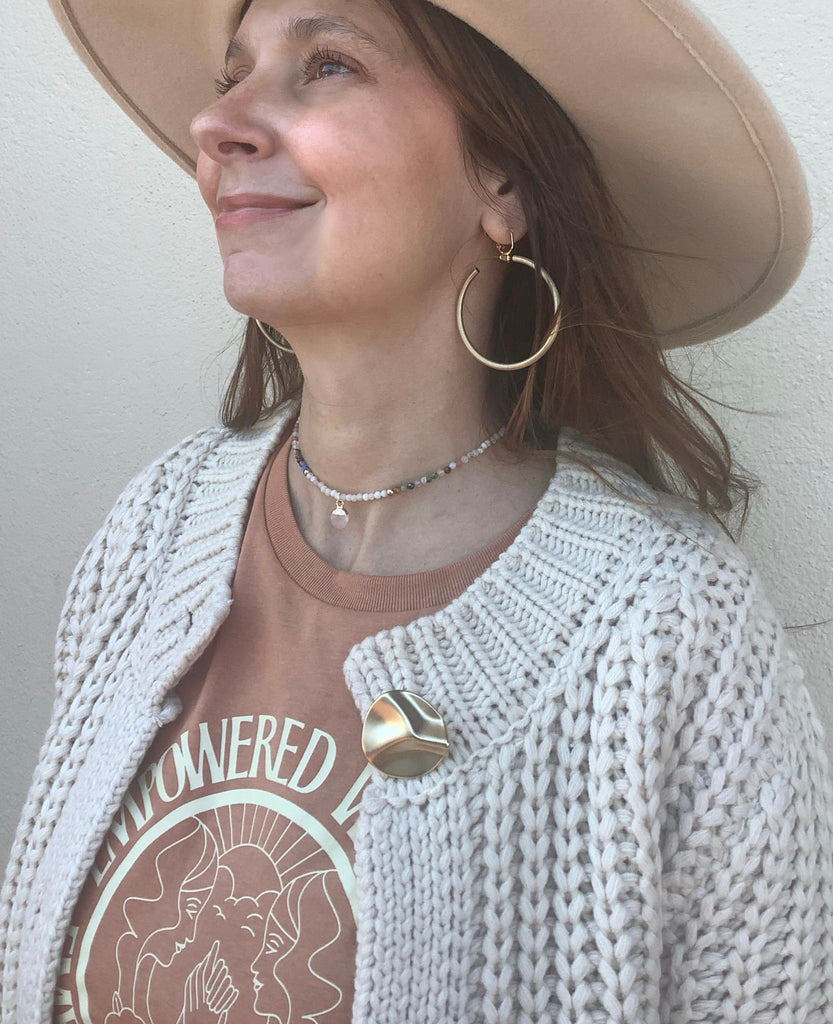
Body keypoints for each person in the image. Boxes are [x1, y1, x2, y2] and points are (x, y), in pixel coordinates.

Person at [2, 0, 832, 1020]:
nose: (216, 123)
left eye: (327, 64)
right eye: (232, 75)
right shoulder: (154, 530)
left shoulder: (668, 632)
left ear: (501, 181)